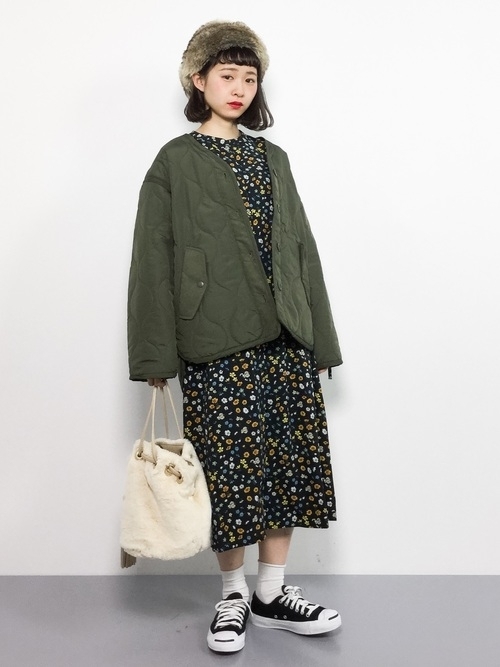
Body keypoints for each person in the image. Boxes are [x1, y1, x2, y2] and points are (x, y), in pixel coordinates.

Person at [127, 19, 343, 654]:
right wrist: (155, 355)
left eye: (249, 77)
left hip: (285, 339)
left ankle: (272, 592)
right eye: (227, 75)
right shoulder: (174, 161)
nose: (240, 88)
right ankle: (233, 596)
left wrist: (320, 341)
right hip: (215, 340)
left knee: (286, 464)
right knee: (228, 469)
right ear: (198, 80)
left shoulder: (274, 159)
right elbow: (152, 260)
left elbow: (302, 251)